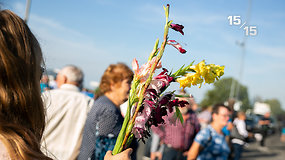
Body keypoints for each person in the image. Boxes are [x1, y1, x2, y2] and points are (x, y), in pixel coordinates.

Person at [0, 9, 131, 160]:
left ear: (62, 79)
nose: (130, 87)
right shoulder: (93, 104)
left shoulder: (49, 96)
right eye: (39, 72)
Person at [78, 63, 134, 160]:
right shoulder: (109, 110)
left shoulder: (104, 103)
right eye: (128, 82)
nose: (131, 87)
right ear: (113, 84)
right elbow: (105, 152)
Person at [41, 65, 94, 160]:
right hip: (72, 156)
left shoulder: (47, 96)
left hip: (42, 154)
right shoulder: (88, 102)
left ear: (64, 79)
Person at [151, 93, 200, 160]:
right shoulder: (169, 114)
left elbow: (197, 133)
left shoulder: (193, 116)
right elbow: (154, 125)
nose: (182, 105)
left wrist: (191, 149)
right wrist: (163, 136)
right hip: (169, 150)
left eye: (185, 102)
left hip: (184, 153)